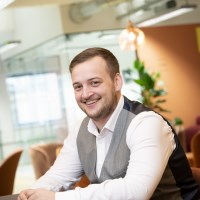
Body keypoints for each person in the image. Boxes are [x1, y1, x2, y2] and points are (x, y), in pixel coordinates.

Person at [18, 47, 200, 200]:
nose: (85, 93)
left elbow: (137, 191)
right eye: (78, 86)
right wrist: (32, 192)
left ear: (117, 82)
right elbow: (59, 175)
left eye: (94, 83)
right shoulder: (80, 129)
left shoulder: (146, 123)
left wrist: (56, 197)